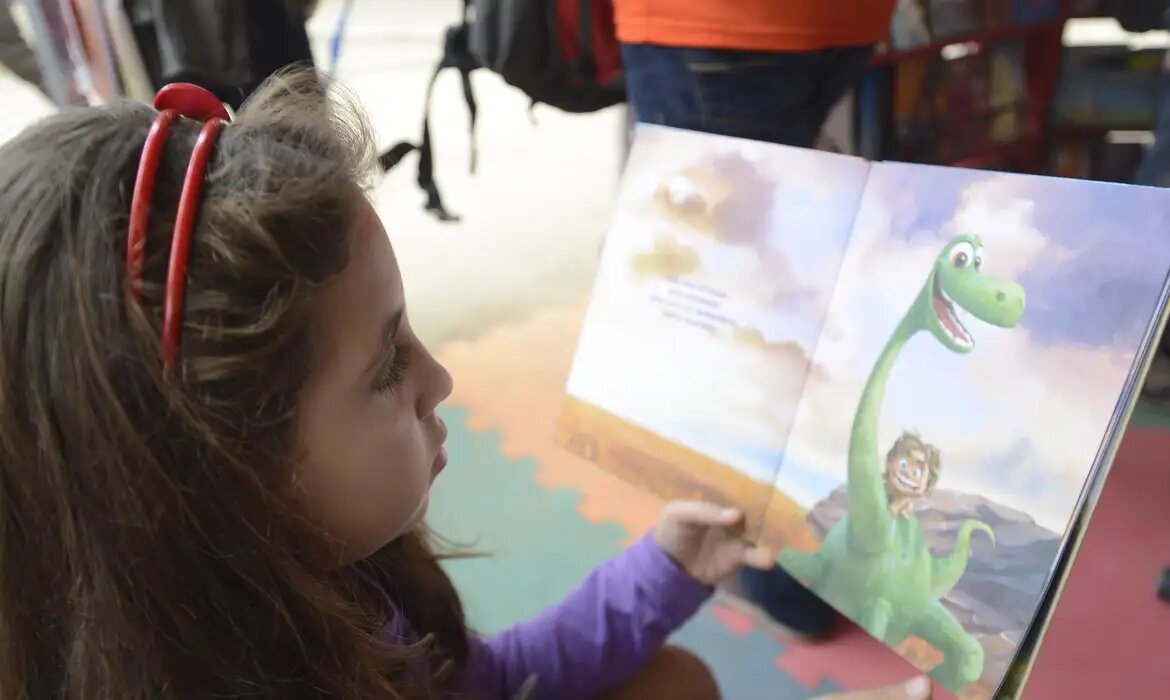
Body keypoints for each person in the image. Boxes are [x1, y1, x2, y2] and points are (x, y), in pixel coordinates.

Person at [0, 70, 931, 699]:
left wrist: (668, 568)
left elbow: (489, 682)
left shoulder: (334, 586)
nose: (440, 379)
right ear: (215, 474)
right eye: (383, 368)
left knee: (678, 679)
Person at [612, 0, 898, 641]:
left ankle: (781, 586)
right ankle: (808, 561)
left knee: (721, 317)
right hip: (838, 26)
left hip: (710, 25)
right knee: (780, 296)